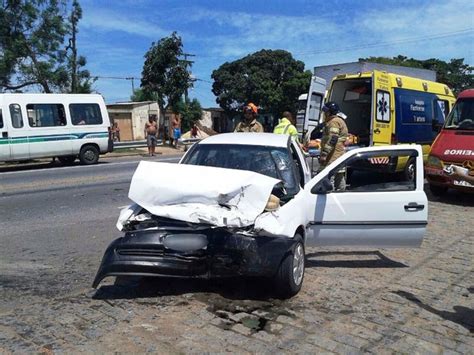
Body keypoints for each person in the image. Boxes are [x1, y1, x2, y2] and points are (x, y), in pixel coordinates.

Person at [319, 101, 348, 191]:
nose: (324, 114)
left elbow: (333, 139)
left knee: (328, 178)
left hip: (332, 155)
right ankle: (341, 196)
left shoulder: (334, 122)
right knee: (339, 177)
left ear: (329, 112)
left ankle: (328, 197)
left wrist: (324, 154)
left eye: (326, 112)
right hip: (339, 154)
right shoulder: (339, 121)